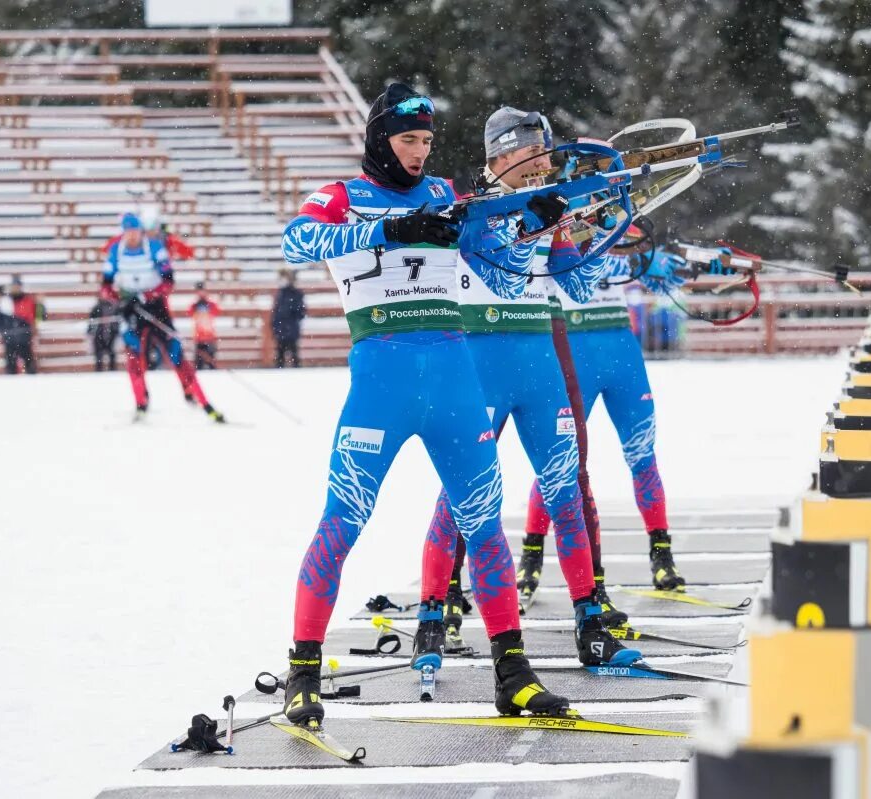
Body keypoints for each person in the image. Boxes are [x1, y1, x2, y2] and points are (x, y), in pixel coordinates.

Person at [278, 83, 571, 728]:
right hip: (379, 387)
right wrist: (388, 228)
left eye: (428, 142)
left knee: (486, 528)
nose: (419, 153)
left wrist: (531, 226)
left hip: (454, 384)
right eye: (408, 140)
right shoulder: (340, 196)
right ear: (381, 139)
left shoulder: (444, 197)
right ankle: (303, 672)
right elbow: (295, 244)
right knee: (342, 523)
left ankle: (514, 675)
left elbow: (502, 274)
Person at [417, 106, 642, 668]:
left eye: (545, 152)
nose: (542, 164)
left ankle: (590, 621)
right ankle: (430, 613)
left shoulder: (549, 207)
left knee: (565, 492)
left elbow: (582, 287)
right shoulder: (468, 210)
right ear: (498, 156)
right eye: (529, 153)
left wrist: (598, 225)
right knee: (461, 498)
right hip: (481, 366)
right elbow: (500, 268)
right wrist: (532, 225)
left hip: (538, 365)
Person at [522, 236, 689, 590]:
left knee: (643, 454)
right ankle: (531, 553)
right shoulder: (560, 223)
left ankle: (662, 554)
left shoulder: (614, 222)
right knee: (560, 459)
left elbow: (660, 279)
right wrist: (636, 263)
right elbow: (574, 265)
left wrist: (685, 266)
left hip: (621, 353)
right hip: (576, 347)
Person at [102, 213, 223, 422]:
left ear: (141, 231)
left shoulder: (155, 247)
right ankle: (141, 402)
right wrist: (120, 300)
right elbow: (105, 286)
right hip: (131, 311)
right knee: (133, 358)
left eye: (135, 232)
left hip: (156, 310)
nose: (131, 236)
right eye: (127, 232)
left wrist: (147, 296)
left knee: (176, 356)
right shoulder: (116, 250)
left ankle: (204, 402)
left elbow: (168, 281)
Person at [0, 284, 36, 374]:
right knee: (11, 362)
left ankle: (31, 377)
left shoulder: (7, 302)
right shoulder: (1, 303)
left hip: (21, 335)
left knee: (26, 359)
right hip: (11, 336)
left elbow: (22, 317)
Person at [272, 269, 306, 368]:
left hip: (291, 327)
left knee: (293, 352)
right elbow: (276, 311)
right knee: (280, 354)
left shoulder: (296, 293)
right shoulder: (281, 293)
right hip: (282, 327)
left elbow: (301, 311)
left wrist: (290, 314)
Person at [188, 281, 220, 370]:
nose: (200, 293)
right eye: (199, 291)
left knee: (211, 362)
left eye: (202, 290)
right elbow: (189, 313)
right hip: (199, 336)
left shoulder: (210, 303)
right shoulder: (194, 304)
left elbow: (216, 311)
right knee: (199, 364)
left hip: (209, 335)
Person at [88, 296, 119, 371]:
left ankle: (112, 368)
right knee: (99, 353)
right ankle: (100, 369)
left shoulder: (114, 307)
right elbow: (92, 320)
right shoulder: (97, 307)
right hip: (99, 332)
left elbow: (117, 320)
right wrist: (91, 331)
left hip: (110, 332)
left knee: (111, 352)